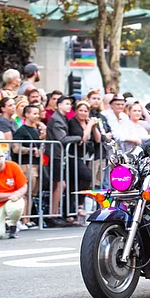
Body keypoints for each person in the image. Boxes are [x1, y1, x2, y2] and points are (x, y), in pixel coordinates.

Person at [45, 95, 81, 227]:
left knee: (60, 185)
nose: (69, 106)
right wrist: (78, 138)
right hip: (56, 155)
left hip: (59, 155)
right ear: (59, 105)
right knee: (59, 185)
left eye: (70, 104)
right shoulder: (56, 119)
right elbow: (62, 139)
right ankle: (53, 214)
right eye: (66, 103)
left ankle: (55, 213)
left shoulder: (63, 118)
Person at [13, 105, 45, 228]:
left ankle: (28, 218)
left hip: (36, 164)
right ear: (26, 115)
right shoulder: (21, 130)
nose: (37, 116)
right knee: (26, 192)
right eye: (34, 113)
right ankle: (22, 219)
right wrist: (30, 150)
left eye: (38, 113)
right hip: (26, 164)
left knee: (32, 193)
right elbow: (16, 148)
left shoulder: (35, 130)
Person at [68, 101, 100, 220]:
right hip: (73, 156)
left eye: (85, 111)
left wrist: (94, 126)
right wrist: (90, 125)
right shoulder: (73, 123)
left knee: (75, 183)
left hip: (85, 156)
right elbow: (83, 138)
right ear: (76, 111)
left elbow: (98, 139)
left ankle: (73, 212)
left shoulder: (88, 123)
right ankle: (79, 205)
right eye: (80, 110)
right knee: (87, 176)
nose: (83, 113)